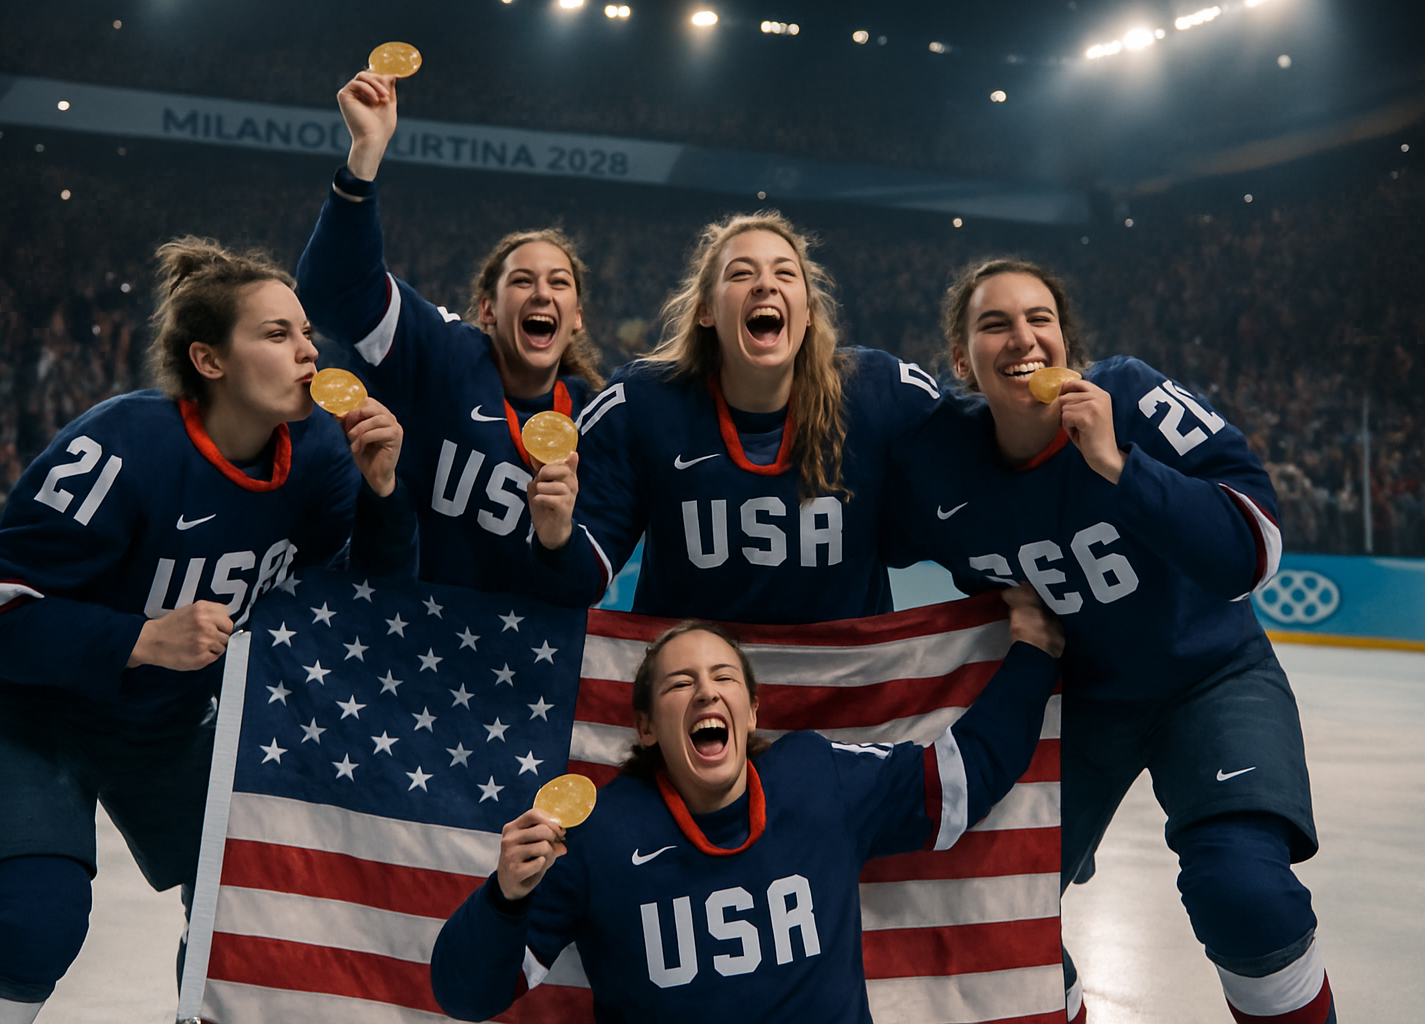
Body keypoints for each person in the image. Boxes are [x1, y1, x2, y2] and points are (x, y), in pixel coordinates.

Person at [0, 238, 414, 1024]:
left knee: (253, 903)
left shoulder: (323, 455)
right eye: (276, 334)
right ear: (209, 361)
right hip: (22, 713)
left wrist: (384, 494)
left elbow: (365, 610)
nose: (307, 349)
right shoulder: (121, 445)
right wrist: (141, 640)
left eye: (306, 332)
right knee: (29, 920)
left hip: (161, 721)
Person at [893, 258, 1334, 1024]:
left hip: (1210, 677)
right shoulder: (935, 460)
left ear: (1065, 340)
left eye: (1039, 319)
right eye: (994, 324)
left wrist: (1120, 466)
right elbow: (863, 544)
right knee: (990, 907)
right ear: (961, 360)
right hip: (1079, 703)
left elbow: (1254, 545)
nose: (1021, 338)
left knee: (1244, 891)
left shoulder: (1128, 396)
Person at [431, 587, 1063, 1023]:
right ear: (647, 728)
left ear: (753, 711)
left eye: (724, 678)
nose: (706, 691)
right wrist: (503, 897)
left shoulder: (820, 777)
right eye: (681, 683)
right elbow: (465, 995)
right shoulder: (596, 834)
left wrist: (1035, 654)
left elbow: (963, 777)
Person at [530, 211, 945, 622]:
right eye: (741, 273)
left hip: (842, 685)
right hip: (696, 682)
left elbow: (970, 489)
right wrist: (556, 539)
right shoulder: (640, 405)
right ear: (705, 311)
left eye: (785, 274)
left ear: (809, 312)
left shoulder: (883, 392)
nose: (765, 284)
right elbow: (576, 584)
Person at [295, 70, 596, 595]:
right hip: (398, 636)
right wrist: (365, 154)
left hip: (515, 663)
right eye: (521, 280)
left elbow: (589, 579)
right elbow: (332, 292)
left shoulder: (598, 417)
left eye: (560, 283)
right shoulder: (441, 351)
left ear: (577, 318)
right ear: (487, 310)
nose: (542, 293)